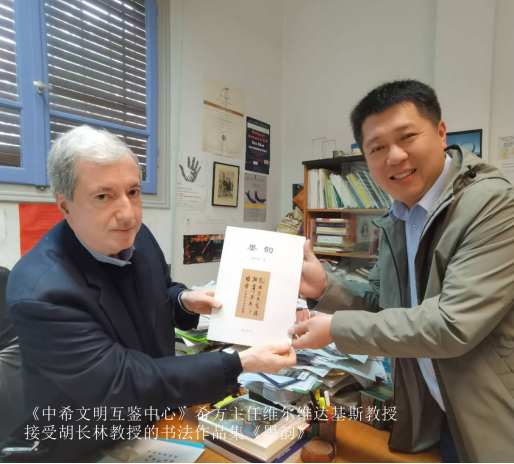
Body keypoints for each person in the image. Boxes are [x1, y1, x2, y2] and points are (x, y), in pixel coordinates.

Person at [5, 126, 296, 461]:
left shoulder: (137, 236)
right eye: (103, 197)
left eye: (133, 191)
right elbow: (120, 382)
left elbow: (159, 291)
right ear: (64, 205)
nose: (128, 214)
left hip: (155, 417)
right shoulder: (41, 291)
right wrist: (239, 362)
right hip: (85, 440)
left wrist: (183, 301)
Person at [290, 80, 514, 463]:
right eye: (377, 147)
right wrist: (325, 286)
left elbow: (451, 325)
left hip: (491, 417)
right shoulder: (398, 216)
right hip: (438, 410)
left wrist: (336, 329)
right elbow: (383, 305)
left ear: (441, 133)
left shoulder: (492, 204)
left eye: (407, 136)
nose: (394, 156)